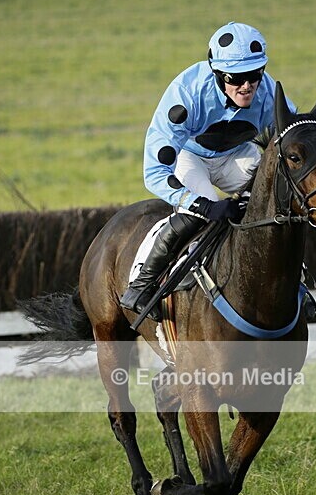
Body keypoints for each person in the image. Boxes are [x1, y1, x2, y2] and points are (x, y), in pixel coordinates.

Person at [120, 21, 297, 318]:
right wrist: (201, 204)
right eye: (236, 78)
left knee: (279, 200)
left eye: (254, 75)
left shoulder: (268, 93)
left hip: (236, 154)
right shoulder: (187, 95)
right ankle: (141, 284)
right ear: (217, 73)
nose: (247, 86)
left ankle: (297, 282)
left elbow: (295, 137)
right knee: (202, 211)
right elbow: (155, 171)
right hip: (190, 156)